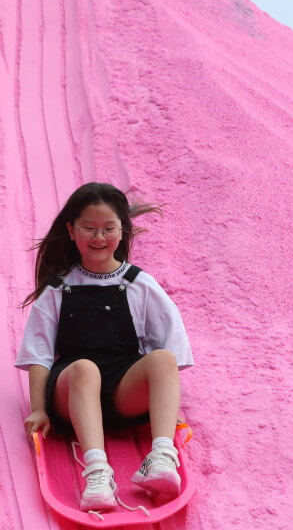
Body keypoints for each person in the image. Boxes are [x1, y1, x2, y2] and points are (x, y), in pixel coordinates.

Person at [15, 182, 193, 511]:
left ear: (123, 231)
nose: (99, 238)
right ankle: (98, 472)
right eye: (89, 228)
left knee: (163, 359)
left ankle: (162, 457)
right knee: (85, 368)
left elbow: (169, 354)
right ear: (71, 231)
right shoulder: (58, 289)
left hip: (120, 392)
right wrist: (38, 407)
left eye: (109, 228)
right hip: (73, 391)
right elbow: (39, 354)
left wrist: (165, 403)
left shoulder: (139, 284)